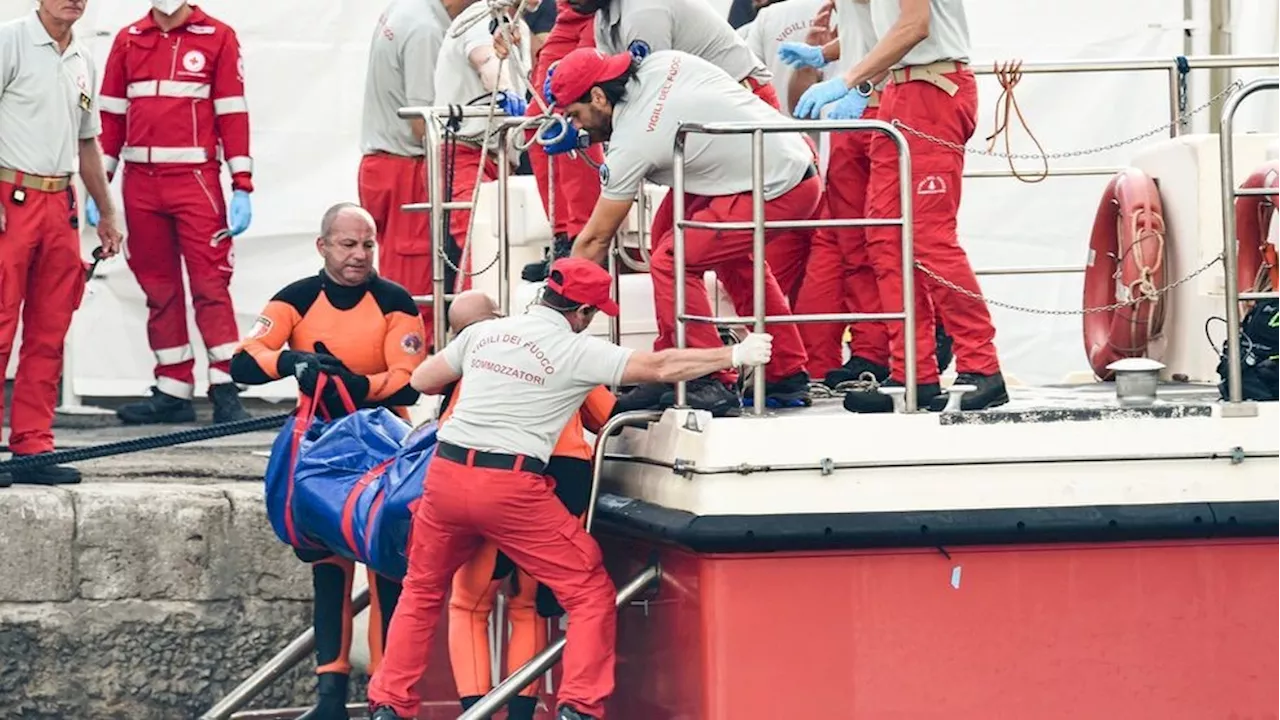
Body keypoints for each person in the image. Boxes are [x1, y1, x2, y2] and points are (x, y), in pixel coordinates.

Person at [366, 257, 774, 720]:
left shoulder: (483, 334)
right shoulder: (576, 351)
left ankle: (389, 705)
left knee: (422, 590)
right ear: (581, 312)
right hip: (510, 486)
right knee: (587, 591)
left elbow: (422, 379)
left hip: (446, 474)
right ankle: (579, 705)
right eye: (594, 312)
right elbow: (658, 367)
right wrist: (733, 356)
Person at [230, 203, 428, 718]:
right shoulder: (295, 298)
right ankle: (329, 700)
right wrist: (292, 361)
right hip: (319, 447)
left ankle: (385, 699)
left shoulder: (395, 301)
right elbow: (244, 362)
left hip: (383, 447)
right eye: (348, 245)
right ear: (323, 246)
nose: (360, 255)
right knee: (328, 570)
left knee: (387, 570)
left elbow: (407, 376)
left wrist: (358, 386)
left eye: (367, 244)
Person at [550, 48, 818, 416]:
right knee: (684, 240)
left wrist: (551, 315)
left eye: (575, 116)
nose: (578, 128)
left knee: (672, 259)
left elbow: (596, 239)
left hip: (778, 183)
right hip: (780, 155)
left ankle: (705, 378)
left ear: (598, 96)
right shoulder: (662, 61)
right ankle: (778, 371)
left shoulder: (631, 143)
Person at [792, 0, 1007, 412]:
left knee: (927, 236)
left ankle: (982, 366)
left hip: (933, 89)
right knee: (884, 239)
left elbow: (915, 25)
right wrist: (852, 77)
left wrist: (847, 79)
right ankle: (913, 372)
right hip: (901, 90)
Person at [438, 289, 617, 720]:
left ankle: (475, 713)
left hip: (486, 482)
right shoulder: (563, 352)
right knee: (527, 606)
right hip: (561, 486)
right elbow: (607, 413)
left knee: (469, 605)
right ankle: (524, 714)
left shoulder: (471, 367)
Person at [780, 0, 954, 388]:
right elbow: (870, 31)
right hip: (865, 108)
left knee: (889, 240)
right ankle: (870, 354)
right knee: (848, 240)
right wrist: (824, 54)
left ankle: (894, 354)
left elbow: (905, 30)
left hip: (880, 105)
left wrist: (856, 84)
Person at [95, 1, 254, 425]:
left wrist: (242, 185)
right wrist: (101, 183)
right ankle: (172, 390)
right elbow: (110, 117)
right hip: (140, 183)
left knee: (210, 286)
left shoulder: (218, 36)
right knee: (158, 289)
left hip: (195, 181)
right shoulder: (129, 38)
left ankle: (225, 387)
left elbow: (233, 114)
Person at [0, 0, 125, 488]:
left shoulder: (82, 59)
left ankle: (33, 445)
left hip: (59, 203)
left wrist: (108, 212)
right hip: (11, 196)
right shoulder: (10, 41)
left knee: (50, 330)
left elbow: (86, 141)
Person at [358, 0, 452, 345]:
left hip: (385, 164)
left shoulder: (406, 9)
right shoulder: (426, 29)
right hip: (407, 167)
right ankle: (413, 379)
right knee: (416, 293)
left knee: (401, 282)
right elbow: (421, 124)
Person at [433, 0, 531, 303]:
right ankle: (474, 331)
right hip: (467, 154)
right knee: (478, 250)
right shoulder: (478, 20)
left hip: (499, 157)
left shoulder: (519, 27)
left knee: (502, 250)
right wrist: (504, 93)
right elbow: (487, 60)